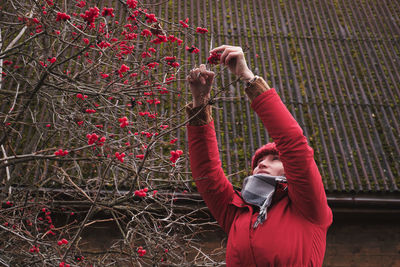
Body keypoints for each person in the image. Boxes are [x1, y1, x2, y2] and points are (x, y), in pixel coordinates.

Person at [186, 45, 333, 267]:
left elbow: (293, 144)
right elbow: (206, 172)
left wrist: (248, 78)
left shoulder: (308, 206)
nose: (263, 162)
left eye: (275, 159)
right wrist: (201, 102)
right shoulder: (238, 213)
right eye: (259, 161)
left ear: (290, 170)